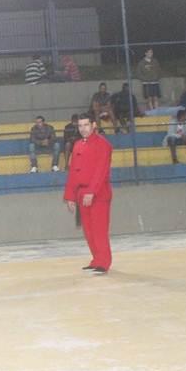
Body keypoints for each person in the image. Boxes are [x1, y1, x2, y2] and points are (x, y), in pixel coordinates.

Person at [63, 117, 113, 275]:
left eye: (86, 125)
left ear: (94, 125)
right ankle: (96, 260)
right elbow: (73, 172)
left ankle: (104, 262)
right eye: (80, 126)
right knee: (89, 231)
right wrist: (70, 196)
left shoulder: (103, 144)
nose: (83, 128)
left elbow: (101, 171)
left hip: (99, 194)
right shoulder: (78, 145)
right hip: (81, 194)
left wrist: (92, 191)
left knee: (99, 230)